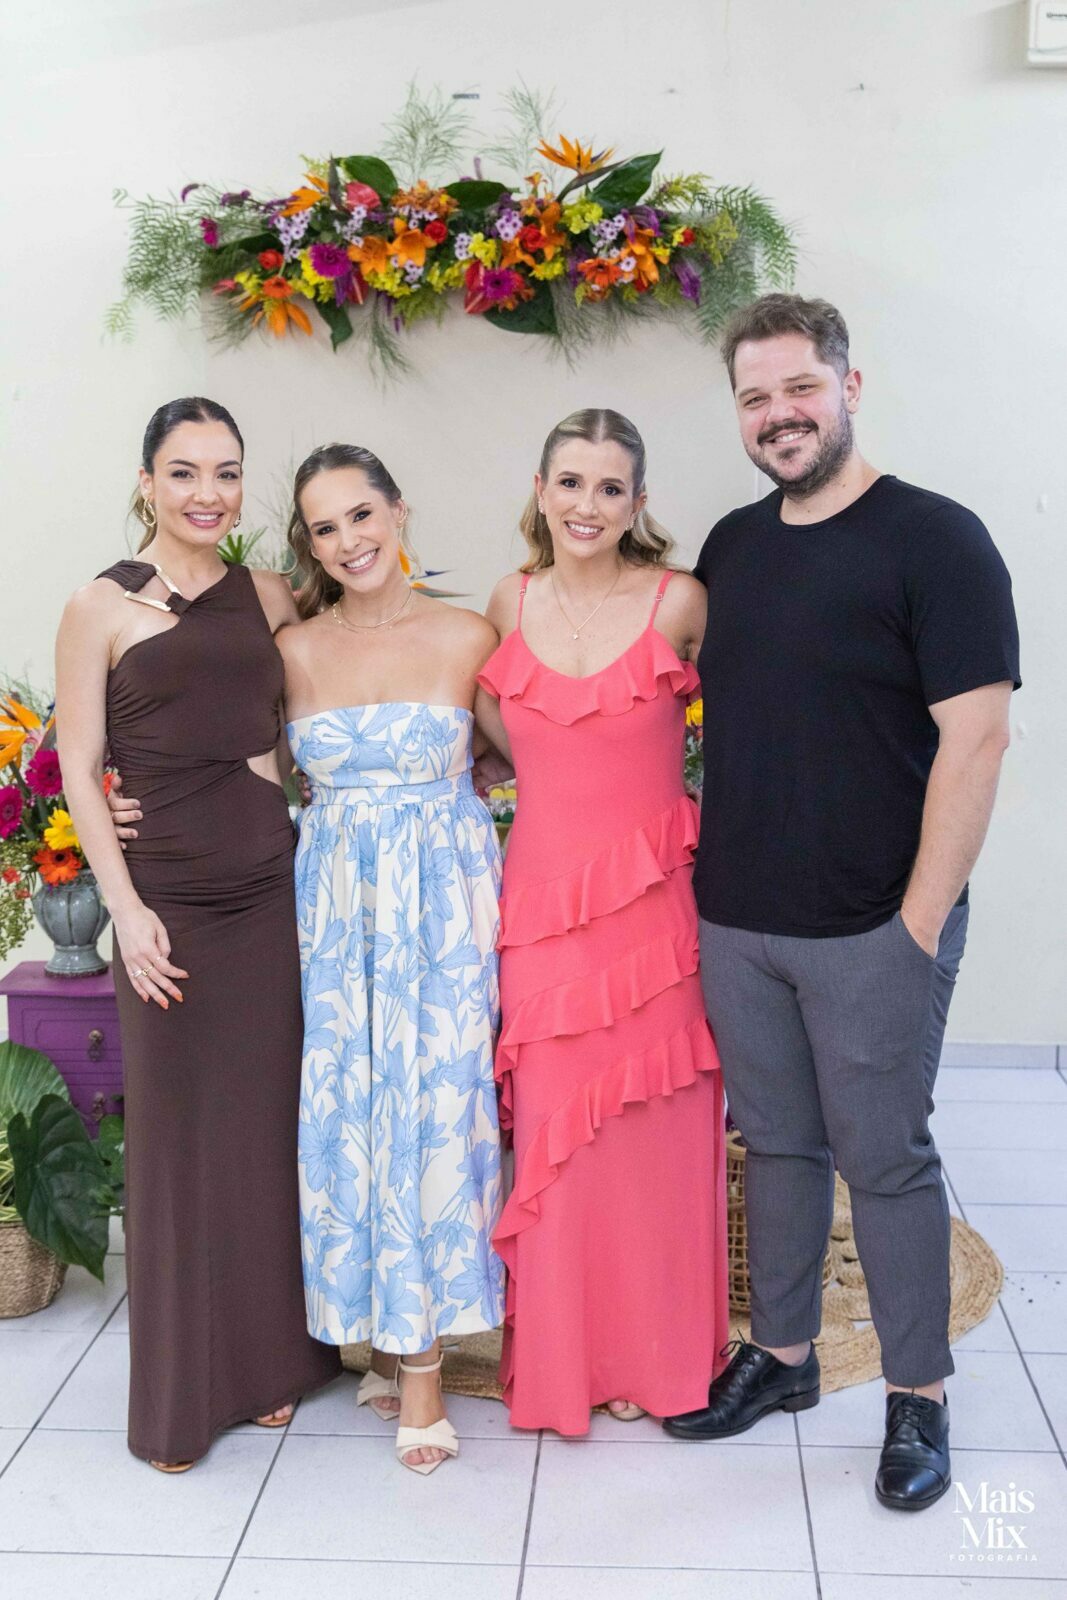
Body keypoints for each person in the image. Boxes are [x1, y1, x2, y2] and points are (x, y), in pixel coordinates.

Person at [662, 296, 1020, 1513]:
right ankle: (781, 1356)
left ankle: (916, 1392)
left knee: (883, 1156)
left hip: (875, 919)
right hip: (739, 916)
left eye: (798, 388)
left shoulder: (936, 539)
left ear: (848, 386)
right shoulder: (730, 546)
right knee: (774, 1144)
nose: (778, 414)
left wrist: (915, 924)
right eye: (754, 397)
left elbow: (976, 741)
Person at [55, 398, 339, 1471]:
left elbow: (288, 738)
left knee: (264, 1132)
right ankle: (182, 1398)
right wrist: (125, 910)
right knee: (177, 1148)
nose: (207, 493)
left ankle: (270, 1366)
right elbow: (80, 769)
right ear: (147, 483)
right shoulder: (98, 605)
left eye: (225, 472)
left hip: (269, 893)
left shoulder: (266, 594)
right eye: (184, 472)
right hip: (164, 904)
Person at [476, 408, 729, 1435]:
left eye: (609, 487)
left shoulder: (681, 602)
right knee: (557, 1139)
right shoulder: (507, 599)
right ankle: (565, 1361)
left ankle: (652, 1357)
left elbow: (764, 721)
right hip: (540, 914)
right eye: (570, 482)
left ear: (638, 504)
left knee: (653, 1136)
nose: (587, 505)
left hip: (657, 917)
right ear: (539, 492)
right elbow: (489, 731)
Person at [277, 444, 505, 1475]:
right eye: (324, 528)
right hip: (334, 913)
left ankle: (423, 1369)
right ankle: (375, 1333)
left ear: (398, 510)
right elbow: (245, 772)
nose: (348, 541)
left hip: (442, 913)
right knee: (351, 1116)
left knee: (434, 1112)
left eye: (361, 514)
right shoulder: (292, 648)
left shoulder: (466, 636)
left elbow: (535, 758)